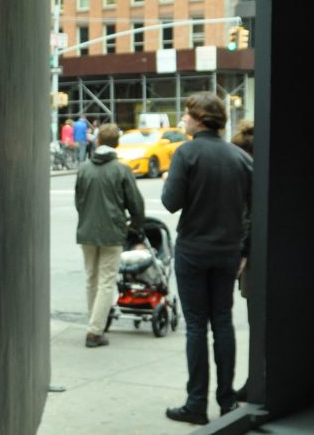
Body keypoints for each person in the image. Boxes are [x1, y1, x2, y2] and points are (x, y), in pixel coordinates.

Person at [162, 92, 252, 426]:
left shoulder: (186, 154)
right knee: (223, 322)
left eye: (186, 114)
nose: (183, 120)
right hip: (228, 252)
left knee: (196, 326)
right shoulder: (240, 158)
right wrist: (245, 250)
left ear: (200, 118)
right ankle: (227, 402)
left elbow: (171, 202)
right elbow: (254, 210)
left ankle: (196, 404)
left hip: (194, 251)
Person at [75, 123, 145, 348]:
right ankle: (95, 330)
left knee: (90, 279)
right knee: (106, 281)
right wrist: (134, 225)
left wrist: (86, 218)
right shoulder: (121, 169)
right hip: (112, 231)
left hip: (86, 231)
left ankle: (95, 320)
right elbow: (135, 203)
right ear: (116, 144)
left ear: (97, 141)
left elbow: (79, 200)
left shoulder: (84, 167)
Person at [230, 119, 254, 403]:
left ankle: (255, 381)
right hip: (255, 256)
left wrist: (243, 253)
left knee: (257, 321)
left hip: (254, 260)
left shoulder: (251, 176)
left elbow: (249, 219)